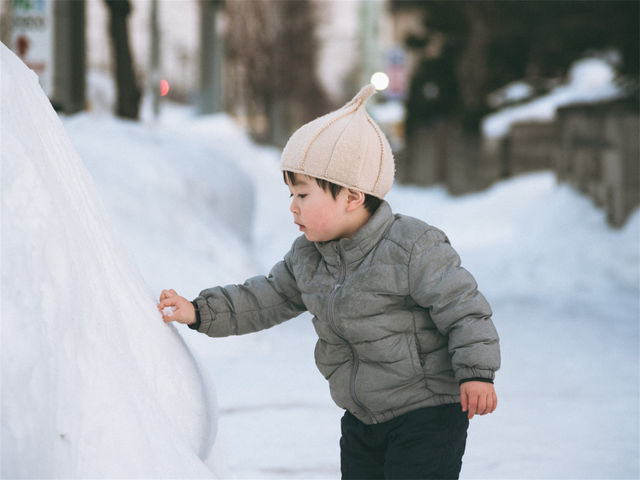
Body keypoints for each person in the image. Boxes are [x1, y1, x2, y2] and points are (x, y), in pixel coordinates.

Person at [158, 84, 500, 479]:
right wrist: (200, 311)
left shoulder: (412, 247)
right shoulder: (308, 257)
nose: (292, 206)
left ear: (352, 197)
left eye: (303, 194)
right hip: (361, 419)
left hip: (428, 415)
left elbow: (464, 309)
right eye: (290, 193)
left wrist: (476, 372)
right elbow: (265, 297)